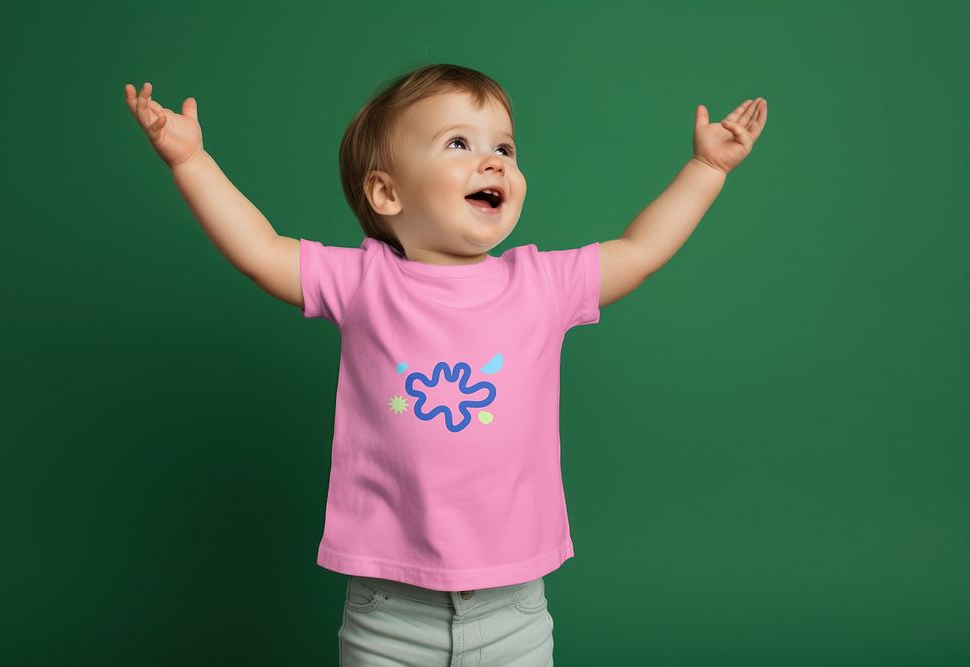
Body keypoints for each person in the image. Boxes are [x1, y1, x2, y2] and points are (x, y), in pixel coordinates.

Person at [124, 63, 767, 666]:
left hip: (513, 603)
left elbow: (641, 249)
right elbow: (260, 251)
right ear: (386, 191)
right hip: (387, 608)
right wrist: (190, 160)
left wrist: (708, 167)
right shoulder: (362, 282)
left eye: (505, 149)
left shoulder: (543, 283)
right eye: (458, 143)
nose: (492, 159)